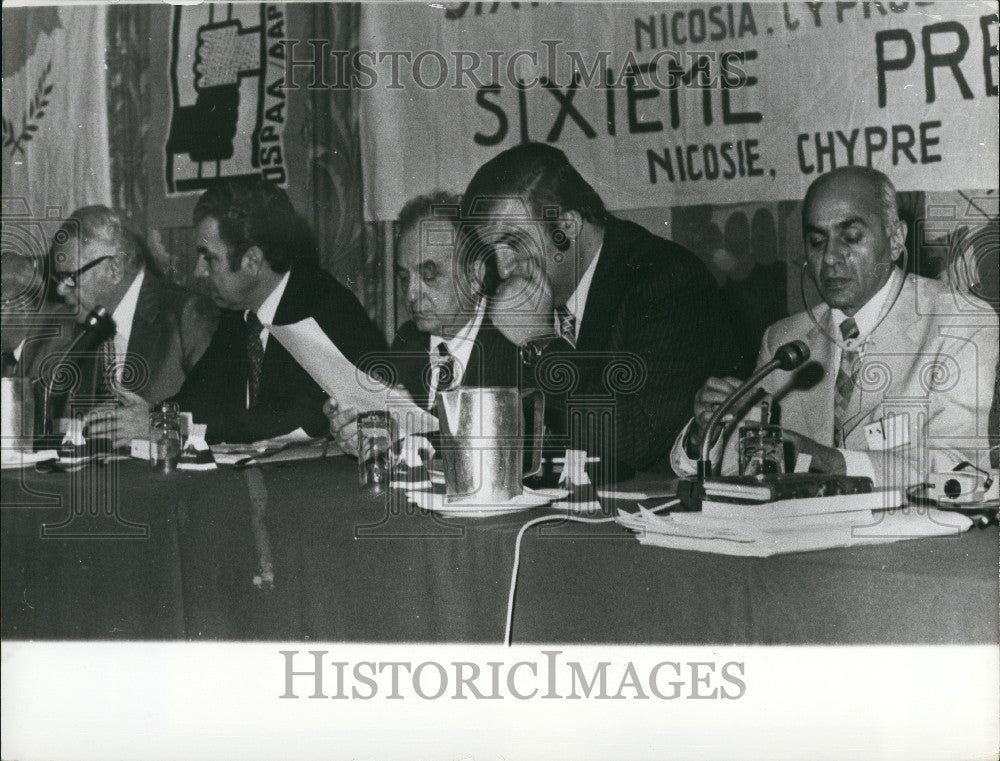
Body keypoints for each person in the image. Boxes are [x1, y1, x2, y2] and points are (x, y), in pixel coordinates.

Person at [671, 166, 999, 487]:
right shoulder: (784, 340)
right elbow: (740, 464)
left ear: (896, 239)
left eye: (851, 238)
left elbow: (960, 464)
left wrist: (829, 460)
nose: (830, 257)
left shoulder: (959, 321)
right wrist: (706, 433)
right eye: (816, 241)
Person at [460, 142, 740, 480]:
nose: (504, 269)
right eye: (493, 251)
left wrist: (540, 342)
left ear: (568, 226)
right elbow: (471, 426)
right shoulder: (523, 293)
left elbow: (638, 440)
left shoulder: (667, 281)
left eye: (514, 243)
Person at [172, 177, 387, 444]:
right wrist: (155, 418)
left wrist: (179, 427)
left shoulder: (324, 307)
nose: (199, 271)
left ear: (252, 260)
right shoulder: (239, 313)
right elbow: (199, 396)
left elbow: (298, 417)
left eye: (209, 258)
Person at [325, 190, 520, 453]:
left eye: (429, 275)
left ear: (474, 276)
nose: (411, 294)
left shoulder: (512, 342)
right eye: (405, 278)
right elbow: (387, 440)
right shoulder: (409, 340)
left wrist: (402, 436)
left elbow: (500, 447)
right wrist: (361, 433)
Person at [22, 205, 216, 446]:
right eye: (58, 279)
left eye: (70, 278)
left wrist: (157, 424)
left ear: (114, 269)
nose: (61, 290)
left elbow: (223, 416)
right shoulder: (83, 328)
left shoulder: (186, 315)